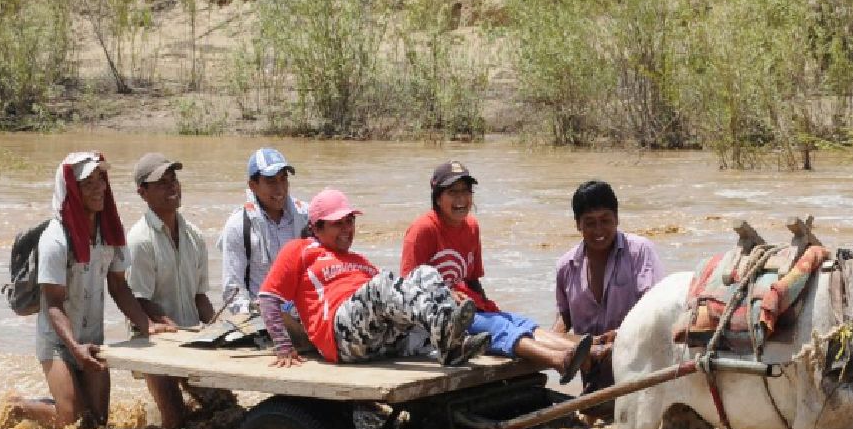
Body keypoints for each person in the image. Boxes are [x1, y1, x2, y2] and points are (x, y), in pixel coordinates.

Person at [8, 152, 172, 429]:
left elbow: (119, 286)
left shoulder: (110, 230)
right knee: (70, 420)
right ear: (72, 190)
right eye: (88, 183)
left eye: (101, 180)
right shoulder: (55, 239)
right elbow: (54, 303)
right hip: (58, 342)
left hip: (92, 338)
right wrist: (75, 347)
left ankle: (56, 401)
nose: (99, 188)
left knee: (97, 424)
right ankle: (17, 408)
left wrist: (147, 325)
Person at [400, 160, 594, 382]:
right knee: (499, 326)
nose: (461, 200)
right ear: (437, 197)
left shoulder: (471, 227)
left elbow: (472, 279)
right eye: (453, 193)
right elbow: (408, 288)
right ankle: (558, 361)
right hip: (436, 320)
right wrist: (446, 294)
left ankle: (588, 352)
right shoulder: (423, 229)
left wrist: (488, 306)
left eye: (466, 192)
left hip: (466, 308)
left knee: (519, 322)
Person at [257, 188, 490, 367]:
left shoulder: (359, 260)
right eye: (338, 224)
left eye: (350, 221)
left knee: (426, 274)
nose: (347, 229)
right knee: (382, 284)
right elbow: (268, 298)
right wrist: (283, 345)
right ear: (317, 228)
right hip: (341, 339)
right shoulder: (300, 249)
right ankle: (444, 329)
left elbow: (396, 298)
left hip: (380, 339)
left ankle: (449, 347)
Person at [125, 152, 221, 429]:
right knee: (176, 421)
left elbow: (200, 297)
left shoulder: (194, 235)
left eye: (174, 179)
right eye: (162, 183)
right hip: (154, 343)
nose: (172, 187)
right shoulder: (139, 241)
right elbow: (137, 300)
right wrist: (172, 328)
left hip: (191, 339)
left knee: (224, 409)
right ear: (142, 193)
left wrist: (217, 328)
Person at [553, 179, 663, 393]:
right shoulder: (566, 267)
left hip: (637, 367)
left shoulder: (640, 252)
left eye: (605, 220)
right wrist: (552, 341)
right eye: (590, 222)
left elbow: (654, 310)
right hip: (593, 373)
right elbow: (563, 318)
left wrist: (620, 334)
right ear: (578, 224)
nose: (599, 230)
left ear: (617, 218)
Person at [218, 147, 307, 315]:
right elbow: (233, 292)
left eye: (283, 179)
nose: (280, 188)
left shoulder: (305, 217)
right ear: (253, 186)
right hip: (260, 318)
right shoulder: (238, 226)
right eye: (271, 181)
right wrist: (252, 311)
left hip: (303, 315)